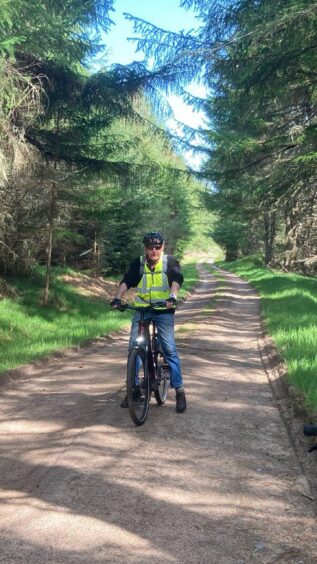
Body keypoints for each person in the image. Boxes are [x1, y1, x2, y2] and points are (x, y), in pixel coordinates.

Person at [110, 231, 186, 413]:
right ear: (145, 248)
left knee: (169, 349)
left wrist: (173, 297)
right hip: (142, 310)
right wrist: (117, 298)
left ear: (162, 247)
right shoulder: (139, 263)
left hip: (163, 311)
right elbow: (127, 281)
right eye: (150, 247)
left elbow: (176, 280)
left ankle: (180, 391)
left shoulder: (169, 262)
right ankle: (134, 390)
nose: (154, 251)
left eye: (157, 247)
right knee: (134, 348)